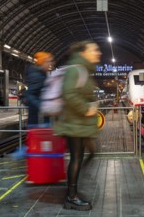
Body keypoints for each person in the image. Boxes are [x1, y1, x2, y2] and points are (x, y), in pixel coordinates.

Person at [53, 40, 101, 211]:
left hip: (79, 123)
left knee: (79, 157)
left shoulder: (83, 70)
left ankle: (72, 193)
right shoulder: (76, 69)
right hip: (74, 122)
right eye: (94, 50)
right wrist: (86, 108)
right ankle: (71, 197)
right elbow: (69, 93)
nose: (98, 53)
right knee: (76, 158)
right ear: (83, 53)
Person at [25, 51, 54, 127]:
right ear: (42, 62)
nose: (50, 64)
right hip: (38, 120)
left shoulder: (41, 74)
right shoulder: (36, 76)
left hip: (40, 119)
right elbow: (30, 95)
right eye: (48, 61)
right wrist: (43, 107)